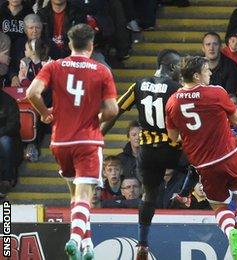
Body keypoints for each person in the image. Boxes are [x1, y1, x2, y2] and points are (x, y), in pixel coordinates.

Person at [26, 24, 118, 260]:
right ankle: (75, 239)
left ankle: (87, 246)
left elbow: (31, 93)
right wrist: (94, 116)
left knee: (76, 198)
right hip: (87, 141)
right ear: (91, 45)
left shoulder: (54, 66)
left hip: (60, 142)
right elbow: (112, 110)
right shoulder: (101, 70)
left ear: (69, 44)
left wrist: (45, 112)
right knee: (85, 198)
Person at [100, 49, 184, 259]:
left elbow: (116, 110)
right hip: (172, 149)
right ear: (172, 67)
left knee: (148, 195)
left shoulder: (138, 85)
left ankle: (142, 243)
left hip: (147, 152)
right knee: (200, 166)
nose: (181, 73)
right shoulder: (177, 89)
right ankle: (186, 195)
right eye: (179, 68)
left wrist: (99, 134)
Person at [165, 56, 237, 260]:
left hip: (205, 165)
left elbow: (172, 138)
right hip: (230, 156)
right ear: (196, 75)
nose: (210, 73)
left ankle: (231, 233)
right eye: (206, 70)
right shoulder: (216, 92)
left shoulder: (172, 102)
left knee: (219, 206)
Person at [0, 89, 20, 192]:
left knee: (5, 142)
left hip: (6, 135)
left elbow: (14, 125)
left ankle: (6, 179)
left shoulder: (9, 101)